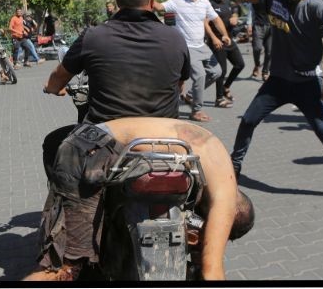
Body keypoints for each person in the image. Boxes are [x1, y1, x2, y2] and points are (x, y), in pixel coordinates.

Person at [26, 116, 254, 282]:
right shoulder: (225, 191)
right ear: (232, 215)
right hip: (84, 151)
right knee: (64, 270)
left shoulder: (213, 164)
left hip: (106, 149)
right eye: (223, 230)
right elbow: (212, 272)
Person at [41, 0, 191, 179]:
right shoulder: (175, 38)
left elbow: (58, 78)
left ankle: (63, 207)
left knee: (52, 143)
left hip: (106, 142)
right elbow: (179, 84)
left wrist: (52, 88)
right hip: (165, 141)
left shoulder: (93, 36)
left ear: (117, 0)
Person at [231, 0, 323, 207]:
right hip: (278, 80)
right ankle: (233, 167)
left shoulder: (317, 7)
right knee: (248, 120)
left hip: (307, 81)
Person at [154, 0, 230, 122]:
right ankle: (196, 110)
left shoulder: (204, 2)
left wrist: (225, 35)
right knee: (200, 75)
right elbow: (158, 7)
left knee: (217, 72)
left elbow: (215, 19)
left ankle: (190, 95)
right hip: (187, 46)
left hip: (201, 45)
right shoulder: (178, 1)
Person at [207, 0, 246, 107]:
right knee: (221, 71)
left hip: (229, 40)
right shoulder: (209, 4)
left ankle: (226, 86)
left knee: (240, 64)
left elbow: (235, 10)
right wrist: (213, 38)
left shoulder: (230, 1)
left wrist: (235, 16)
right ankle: (219, 99)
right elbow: (205, 24)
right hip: (217, 41)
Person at [249, 0, 274, 80]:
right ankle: (257, 65)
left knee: (269, 52)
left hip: (272, 26)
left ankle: (265, 71)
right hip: (258, 25)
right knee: (257, 48)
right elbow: (250, 10)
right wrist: (249, 24)